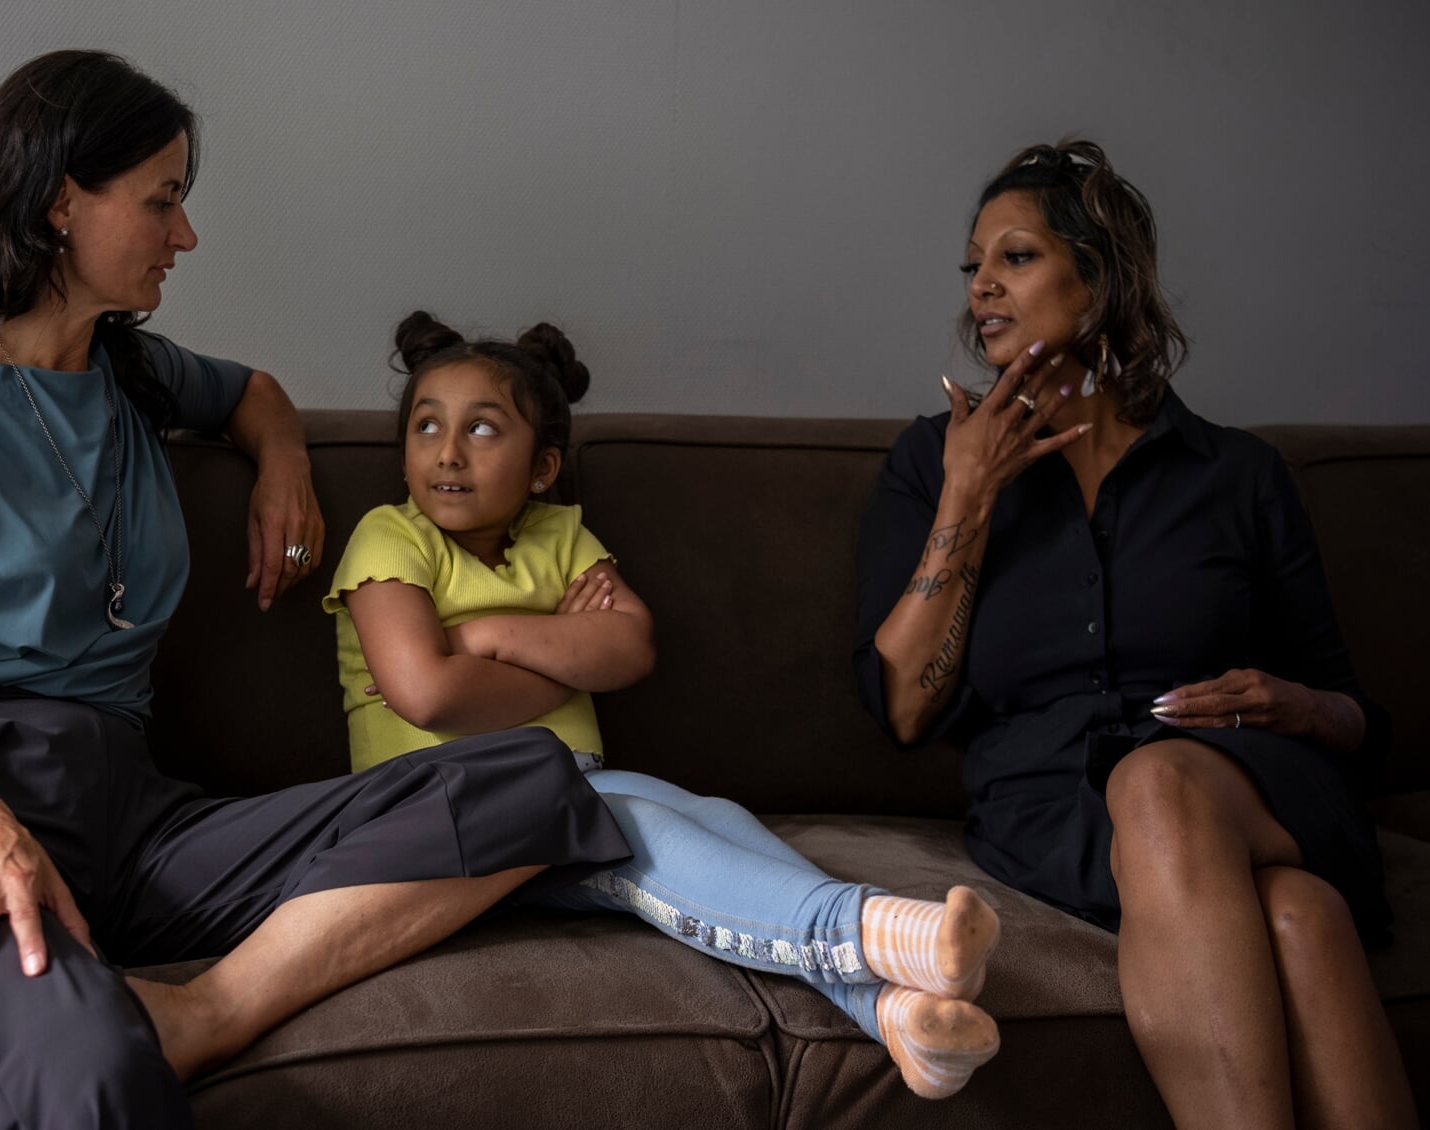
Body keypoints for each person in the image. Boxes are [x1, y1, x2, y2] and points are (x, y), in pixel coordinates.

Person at [0, 51, 630, 1130]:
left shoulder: (129, 371)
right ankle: (99, 1018)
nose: (186, 236)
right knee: (82, 1072)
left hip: (128, 810)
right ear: (57, 204)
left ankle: (205, 1011)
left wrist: (282, 463)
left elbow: (255, 393)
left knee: (536, 779)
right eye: (163, 201)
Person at [853, 139, 1417, 1128]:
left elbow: (1352, 710)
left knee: (1159, 779)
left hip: (1250, 781)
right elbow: (905, 708)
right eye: (973, 265)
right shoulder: (932, 462)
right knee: (1298, 914)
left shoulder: (1237, 474)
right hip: (1055, 806)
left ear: (1102, 277)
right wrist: (967, 496)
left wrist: (1300, 704)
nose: (980, 284)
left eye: (1015, 257)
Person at [324, 310, 1005, 1100]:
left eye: (482, 429)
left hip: (565, 790)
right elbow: (429, 695)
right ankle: (879, 928)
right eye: (426, 426)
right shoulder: (388, 536)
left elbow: (630, 650)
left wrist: (483, 637)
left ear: (543, 467)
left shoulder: (562, 533)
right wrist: (561, 652)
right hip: (439, 811)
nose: (446, 451)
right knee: (638, 830)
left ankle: (893, 1016)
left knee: (715, 817)